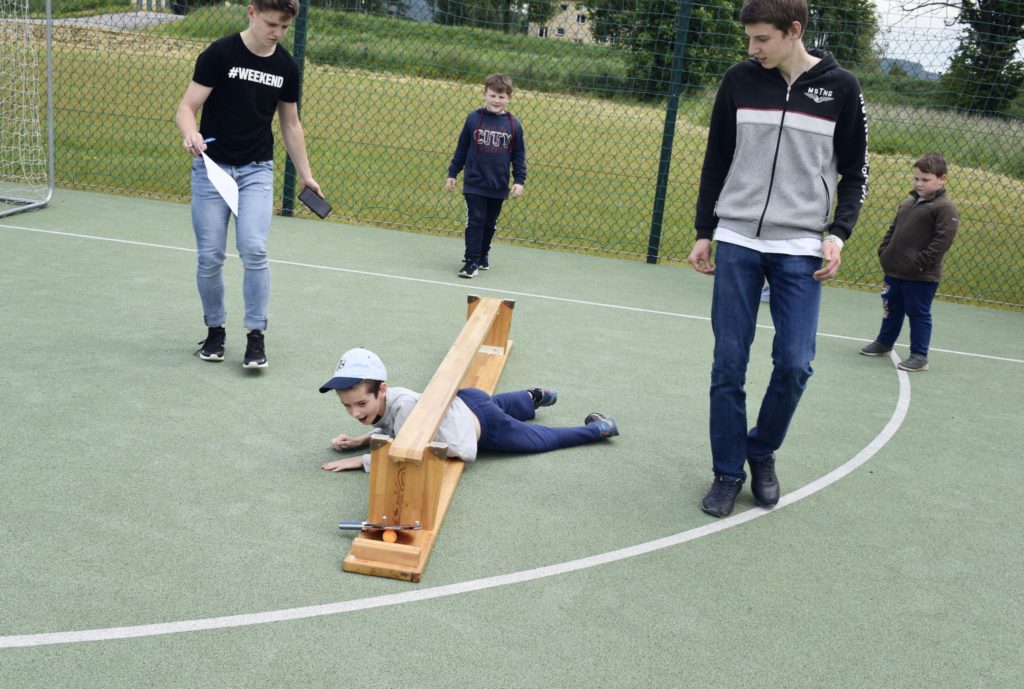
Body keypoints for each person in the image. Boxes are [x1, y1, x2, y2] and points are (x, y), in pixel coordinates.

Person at [686, 0, 869, 517]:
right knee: (728, 363)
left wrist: (838, 235)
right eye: (749, 38)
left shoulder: (841, 88)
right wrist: (705, 231)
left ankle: (761, 450)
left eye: (762, 38)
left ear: (794, 31)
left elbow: (855, 172)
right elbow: (716, 158)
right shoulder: (739, 80)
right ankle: (727, 472)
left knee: (795, 364)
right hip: (738, 238)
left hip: (801, 247)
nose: (753, 48)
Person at [175, 0, 322, 369]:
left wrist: (306, 174)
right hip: (212, 169)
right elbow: (186, 107)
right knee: (210, 256)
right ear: (251, 12)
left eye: (284, 27)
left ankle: (256, 336)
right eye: (271, 24)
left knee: (254, 249)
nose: (277, 33)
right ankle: (215, 331)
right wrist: (191, 134)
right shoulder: (220, 54)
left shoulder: (285, 66)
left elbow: (291, 124)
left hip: (256, 170)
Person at [318, 348, 617, 472]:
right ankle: (532, 397)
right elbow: (390, 428)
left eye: (361, 404)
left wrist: (361, 460)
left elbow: (408, 453)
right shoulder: (390, 399)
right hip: (467, 401)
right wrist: (360, 440)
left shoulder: (405, 407)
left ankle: (599, 429)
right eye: (347, 405)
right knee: (498, 403)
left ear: (381, 389)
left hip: (484, 425)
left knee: (541, 439)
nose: (355, 413)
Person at [860, 152, 959, 372]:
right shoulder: (908, 201)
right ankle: (884, 342)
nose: (919, 184)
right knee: (891, 308)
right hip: (894, 271)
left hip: (921, 275)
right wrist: (884, 251)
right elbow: (893, 228)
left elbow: (942, 241)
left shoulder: (944, 208)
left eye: (925, 180)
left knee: (918, 313)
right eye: (916, 178)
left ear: (942, 179)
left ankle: (919, 355)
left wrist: (920, 263)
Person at [445, 73, 527, 279]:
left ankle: (482, 255)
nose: (496, 100)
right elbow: (462, 148)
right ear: (484, 94)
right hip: (474, 182)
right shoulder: (473, 119)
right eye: (492, 95)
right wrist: (453, 173)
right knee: (476, 220)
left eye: (501, 97)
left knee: (489, 223)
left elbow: (518, 155)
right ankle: (471, 261)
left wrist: (519, 180)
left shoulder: (514, 125)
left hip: (498, 184)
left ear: (509, 98)